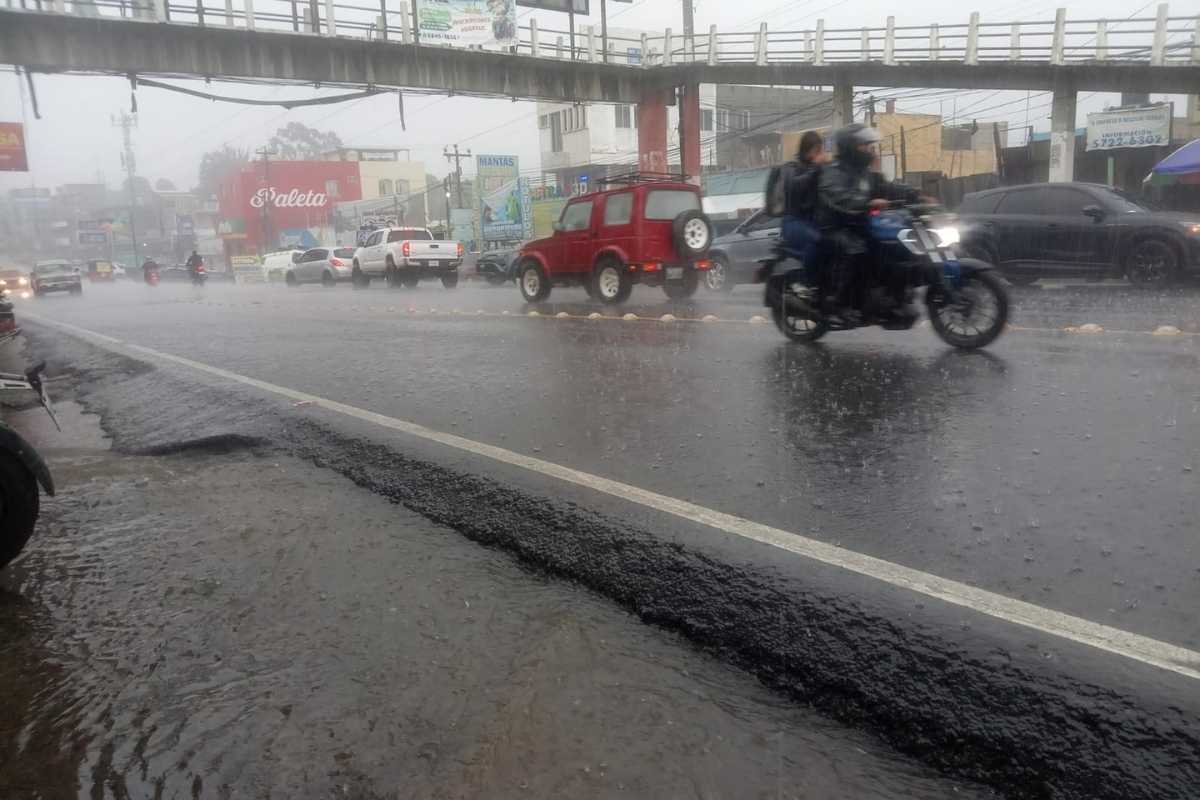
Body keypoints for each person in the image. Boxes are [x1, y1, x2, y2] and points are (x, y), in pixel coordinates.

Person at [816, 123, 922, 320]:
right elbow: (839, 197)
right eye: (864, 145)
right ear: (850, 146)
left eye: (869, 145)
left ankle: (893, 297)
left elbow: (888, 187)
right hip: (835, 226)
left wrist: (916, 194)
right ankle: (838, 303)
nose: (869, 150)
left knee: (894, 247)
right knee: (856, 250)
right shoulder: (834, 171)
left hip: (859, 224)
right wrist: (867, 202)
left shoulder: (864, 172)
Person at [781, 130, 828, 284]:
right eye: (816, 150)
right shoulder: (792, 168)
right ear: (806, 149)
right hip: (793, 221)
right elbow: (794, 187)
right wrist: (815, 167)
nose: (819, 154)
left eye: (820, 150)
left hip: (814, 221)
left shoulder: (820, 169)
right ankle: (809, 283)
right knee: (817, 240)